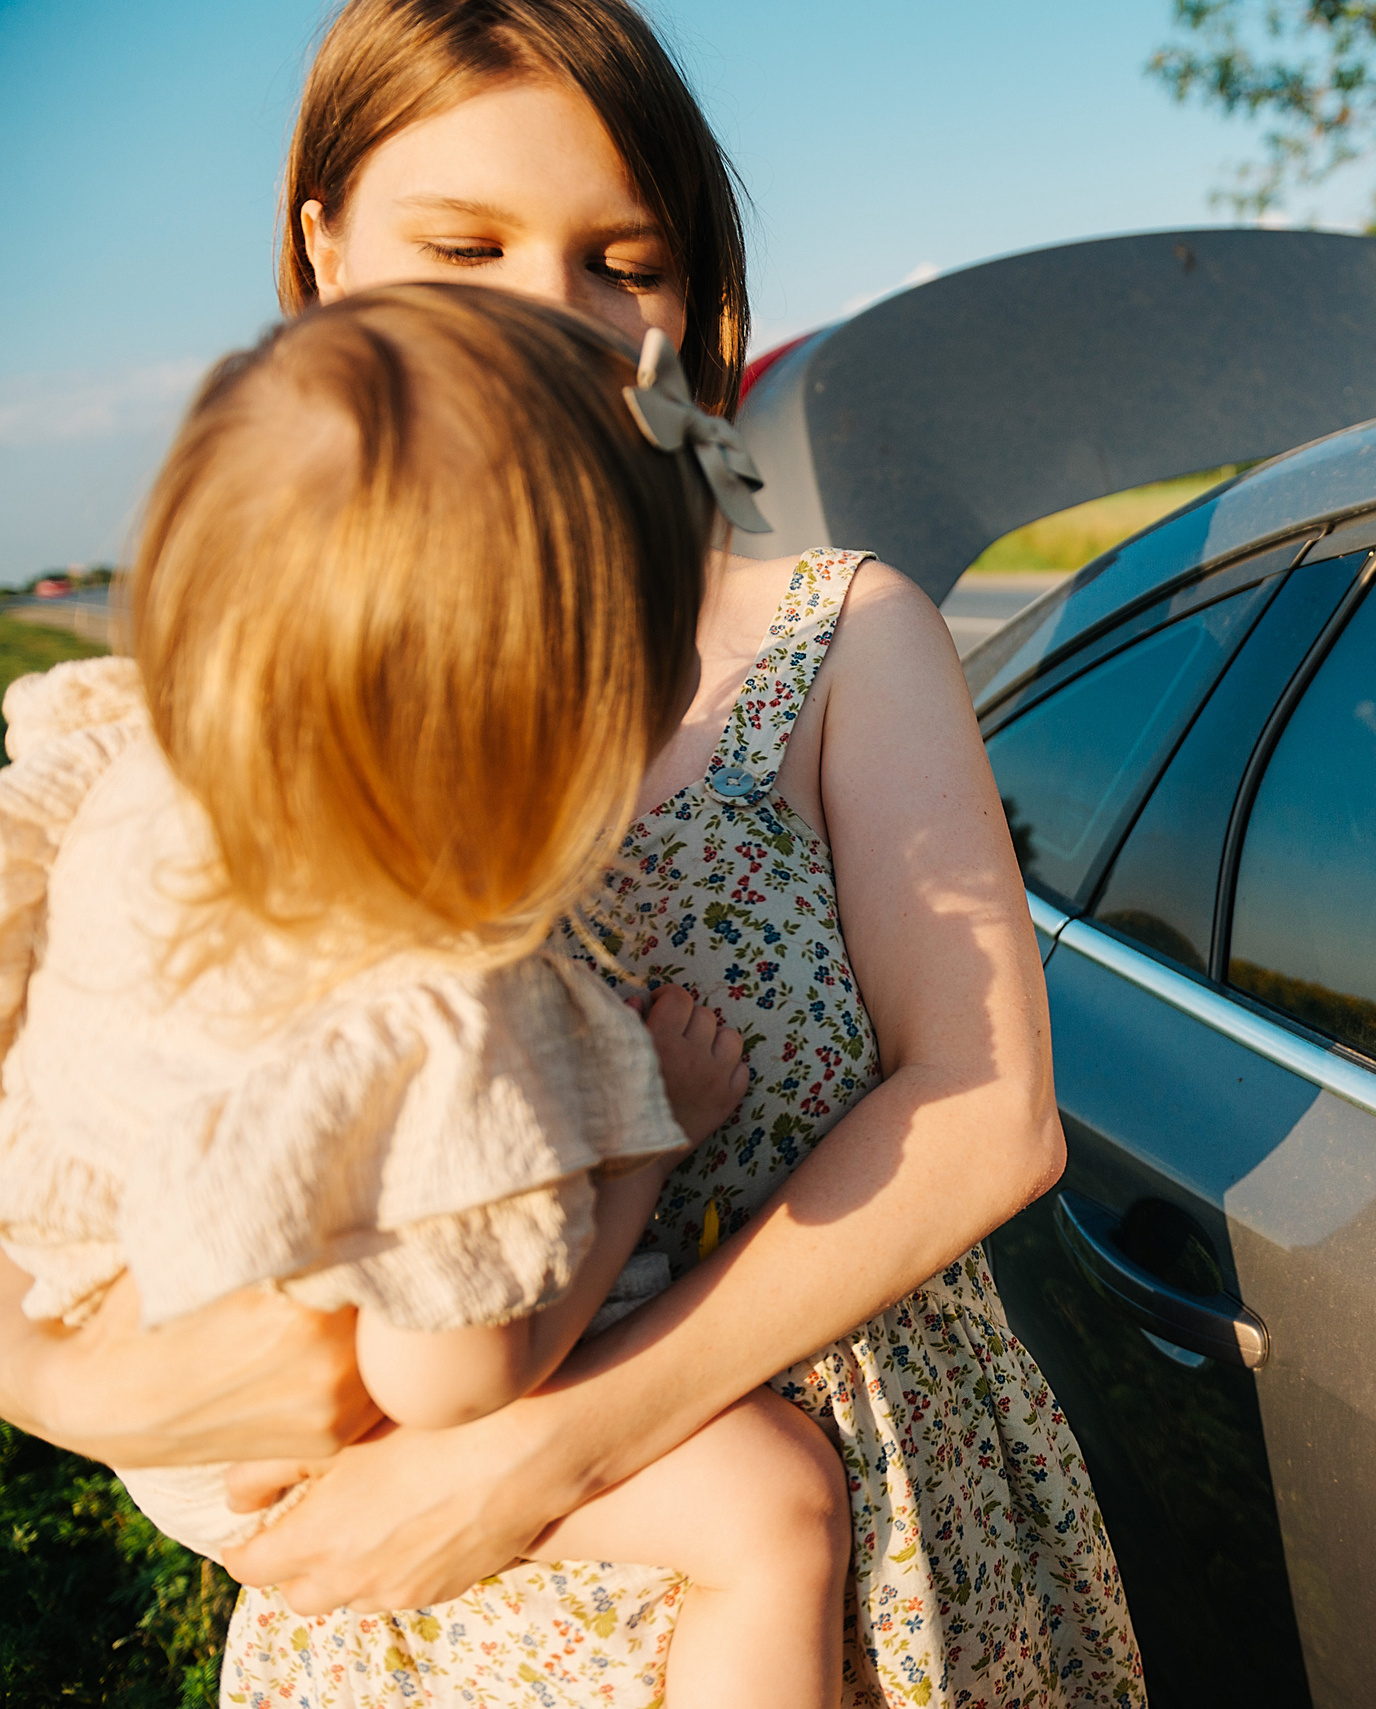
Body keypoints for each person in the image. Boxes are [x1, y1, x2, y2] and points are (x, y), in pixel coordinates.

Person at [0, 2, 1140, 1703]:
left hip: (828, 1529)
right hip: (396, 1612)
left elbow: (988, 1114)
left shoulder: (829, 632)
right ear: (320, 244)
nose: (553, 309)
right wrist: (68, 1388)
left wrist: (542, 1451)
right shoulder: (218, 699)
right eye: (464, 241)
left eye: (625, 258)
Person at [0, 285, 865, 1707]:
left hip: (121, 1317)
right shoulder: (446, 1022)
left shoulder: (143, 784)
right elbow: (456, 1386)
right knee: (769, 1502)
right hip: (254, 1447)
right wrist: (645, 1143)